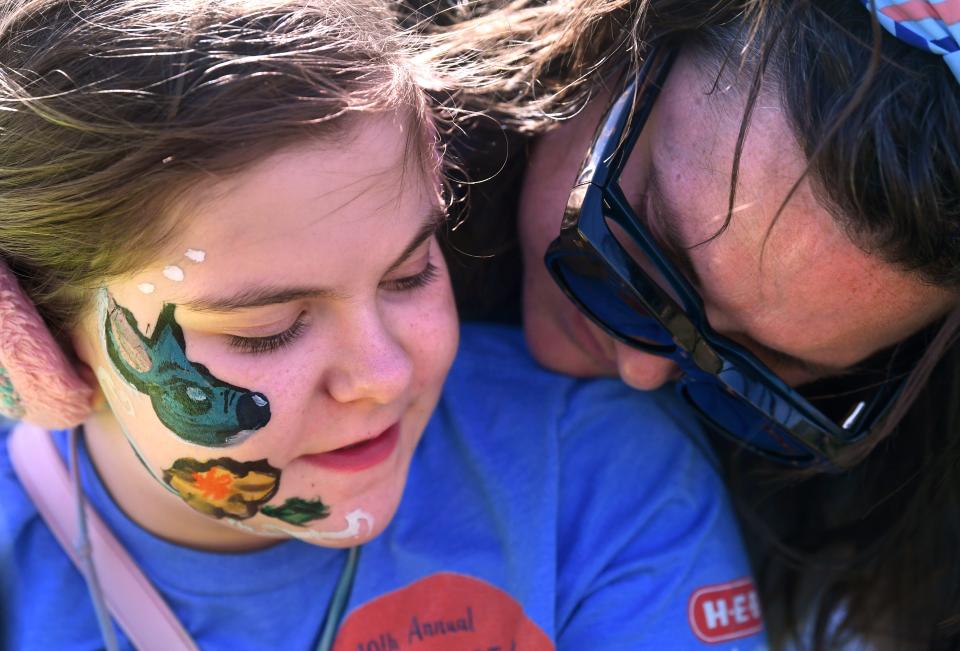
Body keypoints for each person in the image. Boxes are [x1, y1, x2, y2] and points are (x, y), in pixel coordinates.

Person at [0, 1, 767, 649]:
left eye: (410, 276)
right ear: (34, 335)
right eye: (266, 328)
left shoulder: (597, 477)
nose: (384, 374)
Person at [422, 0, 960, 648]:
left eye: (759, 370)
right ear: (620, 35)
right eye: (653, 246)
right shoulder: (312, 130)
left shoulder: (876, 533)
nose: (638, 368)